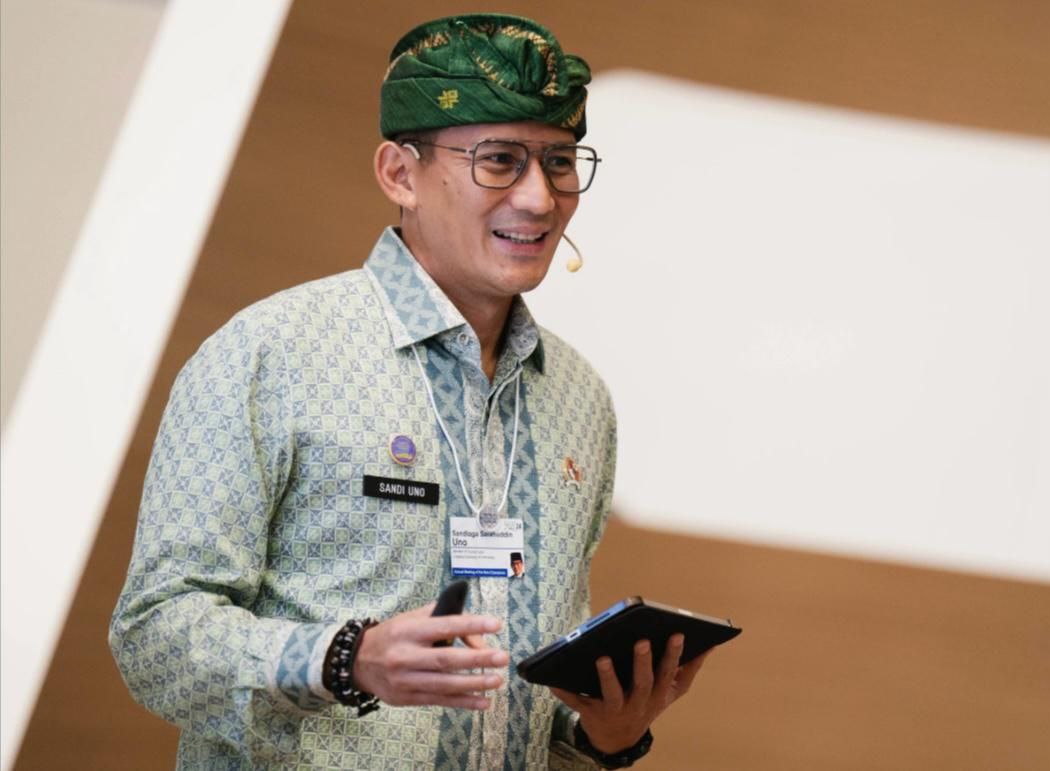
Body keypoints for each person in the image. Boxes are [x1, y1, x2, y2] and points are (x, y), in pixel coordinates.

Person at [110, 13, 708, 769]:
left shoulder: (580, 398)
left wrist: (600, 736)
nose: (539, 198)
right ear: (400, 173)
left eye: (559, 162)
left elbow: (519, 708)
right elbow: (155, 636)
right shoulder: (273, 351)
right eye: (500, 160)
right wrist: (348, 659)